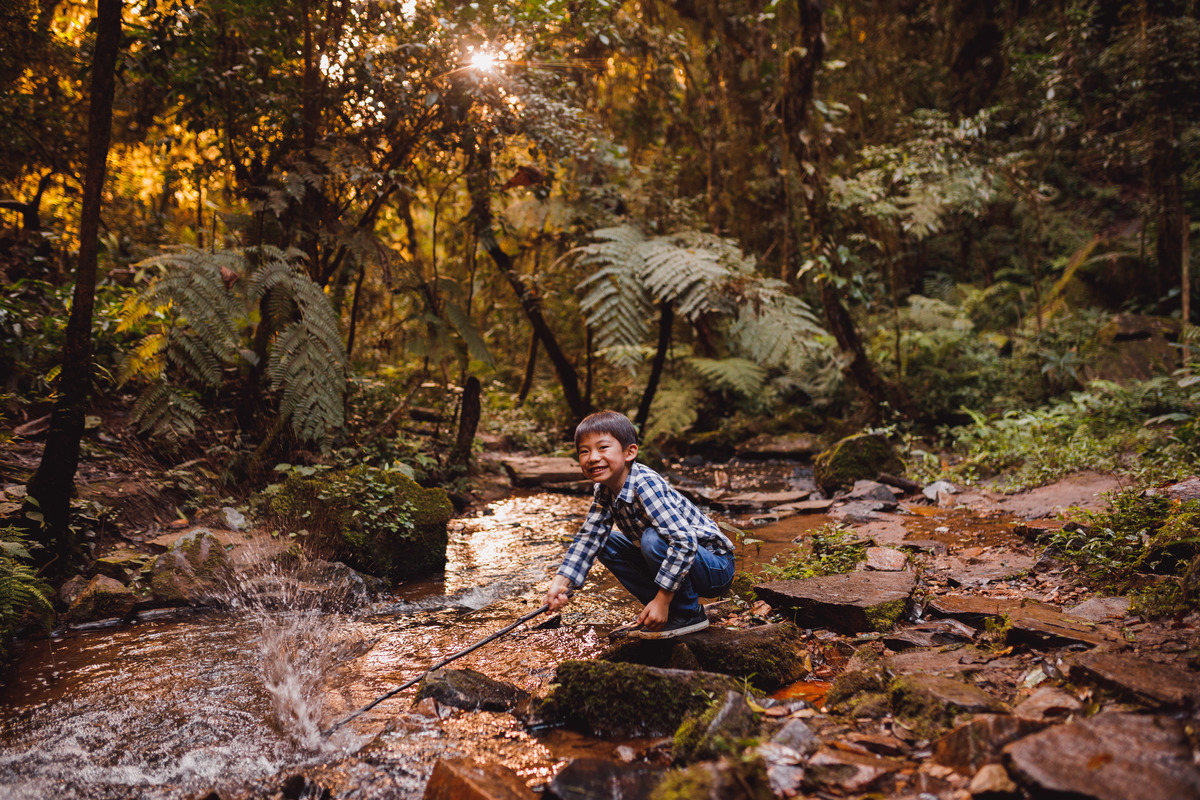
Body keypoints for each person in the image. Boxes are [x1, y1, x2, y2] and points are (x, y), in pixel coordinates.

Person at [544, 410, 736, 639]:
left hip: (716, 567)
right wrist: (561, 581)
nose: (592, 457)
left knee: (653, 538)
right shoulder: (604, 489)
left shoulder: (644, 484)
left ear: (630, 452)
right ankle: (664, 610)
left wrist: (663, 598)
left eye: (602, 447)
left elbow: (684, 541)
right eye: (584, 451)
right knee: (606, 541)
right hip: (686, 565)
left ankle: (687, 613)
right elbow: (590, 539)